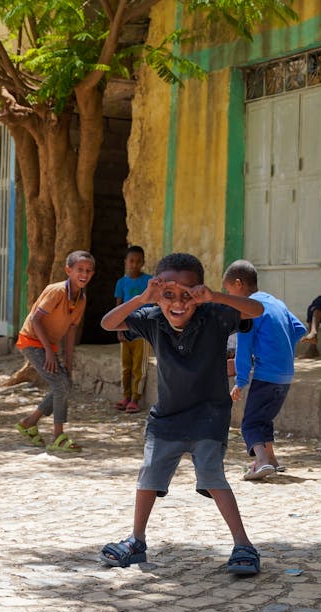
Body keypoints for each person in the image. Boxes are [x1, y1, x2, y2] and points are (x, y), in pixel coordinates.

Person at [99, 252, 264, 576]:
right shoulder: (151, 317)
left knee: (212, 474)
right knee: (149, 475)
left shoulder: (215, 314)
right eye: (168, 295)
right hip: (167, 416)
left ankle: (243, 544)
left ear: (199, 293)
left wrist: (214, 295)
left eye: (187, 294)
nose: (178, 303)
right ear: (158, 295)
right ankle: (136, 540)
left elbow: (256, 309)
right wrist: (145, 297)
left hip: (210, 414)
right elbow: (107, 323)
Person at [223, 260, 306, 480]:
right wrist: (279, 346)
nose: (229, 297)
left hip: (266, 375)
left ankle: (260, 461)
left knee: (250, 422)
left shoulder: (247, 311)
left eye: (228, 291)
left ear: (239, 284)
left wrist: (241, 381)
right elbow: (300, 329)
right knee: (264, 417)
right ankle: (272, 460)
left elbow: (243, 350)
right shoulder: (276, 302)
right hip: (285, 375)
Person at [14, 250, 95, 452]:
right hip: (31, 341)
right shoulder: (57, 291)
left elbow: (70, 331)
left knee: (64, 383)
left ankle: (29, 423)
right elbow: (35, 319)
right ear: (68, 270)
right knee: (60, 385)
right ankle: (58, 436)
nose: (84, 274)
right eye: (79, 270)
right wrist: (50, 352)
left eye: (88, 270)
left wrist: (68, 362)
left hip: (48, 345)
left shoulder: (81, 300)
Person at [113, 245, 152, 413]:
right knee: (126, 365)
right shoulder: (121, 283)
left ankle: (136, 398)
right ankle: (125, 396)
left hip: (142, 330)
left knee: (139, 366)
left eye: (138, 261)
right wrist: (119, 330)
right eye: (131, 261)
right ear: (126, 262)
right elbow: (118, 307)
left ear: (143, 262)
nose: (134, 264)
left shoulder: (149, 281)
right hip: (125, 328)